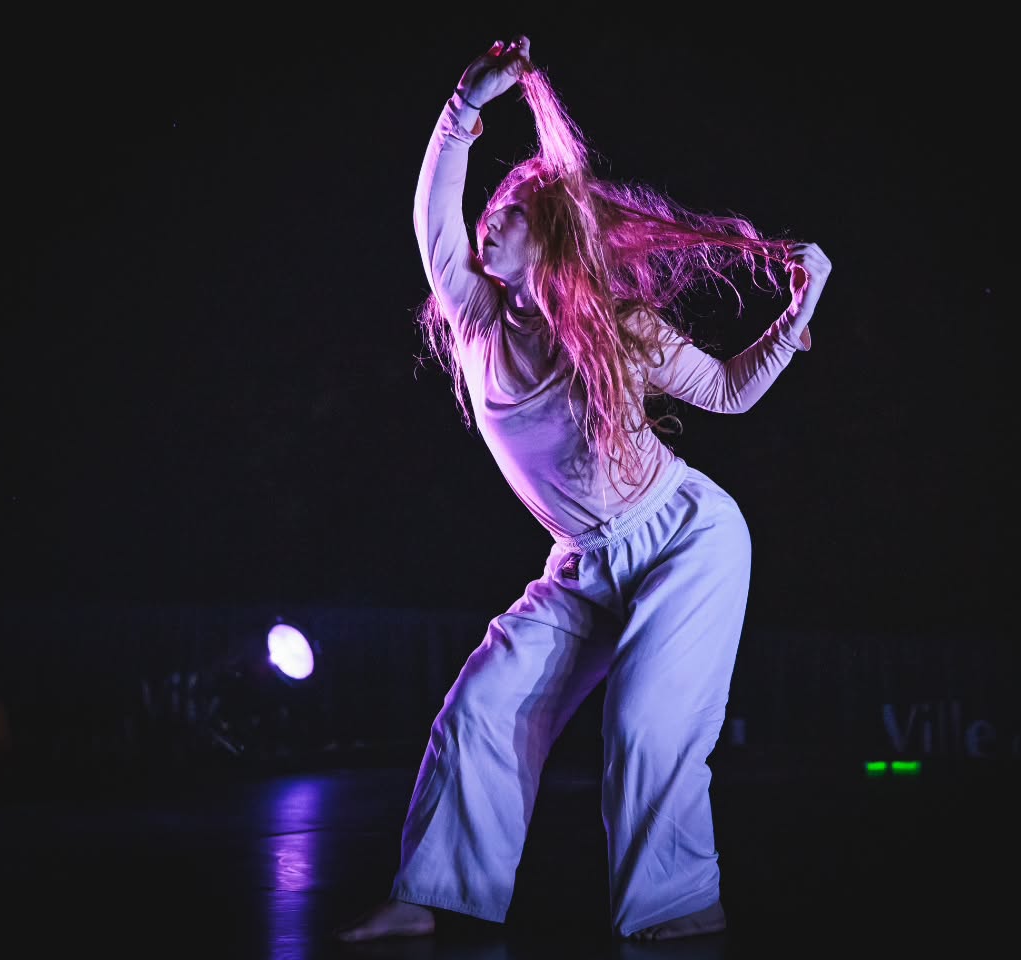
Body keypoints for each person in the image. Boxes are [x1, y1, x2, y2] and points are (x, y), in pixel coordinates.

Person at [336, 35, 831, 944]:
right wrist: (462, 106)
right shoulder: (478, 321)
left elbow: (726, 388)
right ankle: (426, 895)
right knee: (483, 705)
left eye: (513, 211)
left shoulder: (618, 332)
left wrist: (800, 307)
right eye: (492, 208)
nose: (490, 218)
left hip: (685, 542)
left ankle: (683, 914)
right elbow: (432, 218)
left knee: (644, 729)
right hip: (584, 565)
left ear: (552, 235)